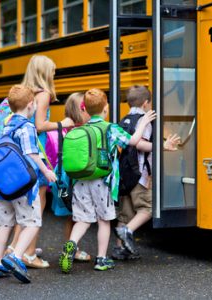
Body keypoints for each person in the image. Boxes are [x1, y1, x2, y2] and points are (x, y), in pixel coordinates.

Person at [0, 55, 74, 269]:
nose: (54, 74)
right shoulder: (43, 94)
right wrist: (63, 123)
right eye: (52, 71)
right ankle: (28, 253)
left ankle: (14, 248)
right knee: (36, 204)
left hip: (16, 158)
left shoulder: (23, 92)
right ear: (44, 72)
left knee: (20, 206)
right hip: (34, 154)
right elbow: (40, 125)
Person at [58, 88, 156, 273]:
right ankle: (101, 259)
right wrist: (143, 123)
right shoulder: (110, 128)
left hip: (80, 181)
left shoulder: (81, 128)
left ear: (84, 109)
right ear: (106, 109)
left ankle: (71, 244)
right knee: (104, 221)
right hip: (102, 182)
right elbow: (134, 141)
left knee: (83, 220)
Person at [0, 85, 57, 283]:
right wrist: (46, 171)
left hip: (3, 185)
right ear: (30, 105)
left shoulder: (5, 124)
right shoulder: (27, 127)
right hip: (24, 185)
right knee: (33, 222)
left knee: (5, 223)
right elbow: (31, 154)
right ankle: (16, 256)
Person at [111, 85, 180, 260]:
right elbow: (140, 144)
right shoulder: (145, 120)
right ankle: (127, 232)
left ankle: (119, 249)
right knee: (148, 207)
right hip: (139, 174)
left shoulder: (124, 119)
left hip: (124, 173)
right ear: (146, 103)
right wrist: (162, 146)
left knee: (126, 213)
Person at [48, 92, 92, 261]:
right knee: (77, 214)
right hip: (74, 177)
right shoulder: (80, 130)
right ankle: (72, 248)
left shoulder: (67, 128)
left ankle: (70, 246)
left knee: (71, 214)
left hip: (63, 176)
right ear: (81, 110)